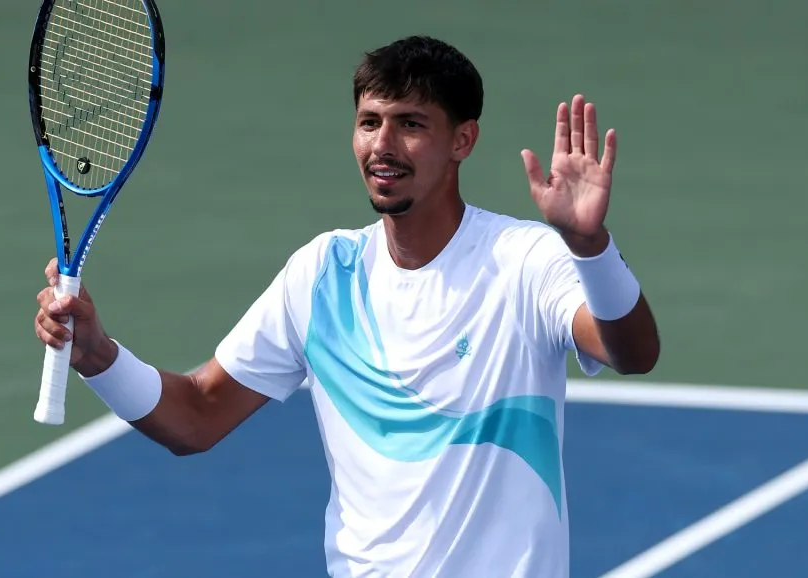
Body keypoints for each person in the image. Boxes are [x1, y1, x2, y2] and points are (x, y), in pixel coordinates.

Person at [34, 35, 660, 578]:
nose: (382, 145)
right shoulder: (322, 274)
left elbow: (631, 352)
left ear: (462, 140)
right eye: (369, 122)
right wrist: (97, 355)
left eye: (411, 124)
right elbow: (196, 417)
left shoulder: (523, 261)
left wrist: (589, 246)